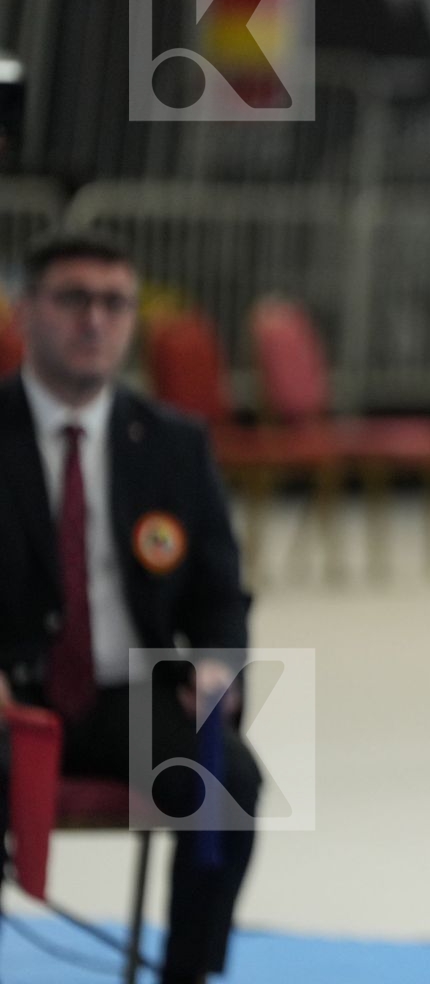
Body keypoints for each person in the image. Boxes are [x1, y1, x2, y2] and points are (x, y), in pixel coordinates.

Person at [0, 232, 260, 984]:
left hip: (130, 693)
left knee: (233, 787)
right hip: (13, 698)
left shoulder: (173, 443)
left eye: (115, 303)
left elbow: (221, 590)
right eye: (74, 299)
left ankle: (187, 974)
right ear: (27, 312)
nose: (95, 321)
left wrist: (219, 665)